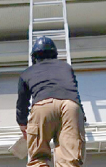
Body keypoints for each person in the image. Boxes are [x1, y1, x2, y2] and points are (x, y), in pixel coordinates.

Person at [16, 36, 86, 167]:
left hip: (42, 106)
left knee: (38, 158)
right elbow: (76, 93)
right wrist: (81, 116)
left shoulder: (27, 73)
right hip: (70, 106)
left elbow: (22, 102)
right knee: (69, 158)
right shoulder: (66, 67)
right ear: (54, 54)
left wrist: (22, 124)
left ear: (35, 57)